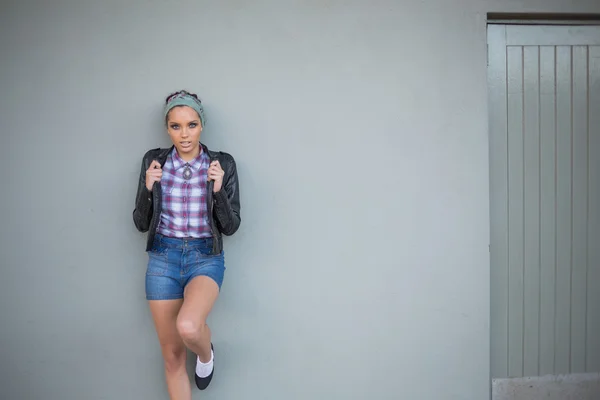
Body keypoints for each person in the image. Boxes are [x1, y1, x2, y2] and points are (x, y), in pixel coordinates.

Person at [132, 90, 241, 399]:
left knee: (190, 327)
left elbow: (231, 227)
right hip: (162, 258)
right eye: (176, 126)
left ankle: (206, 356)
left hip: (205, 256)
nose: (184, 134)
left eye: (191, 125)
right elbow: (141, 223)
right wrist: (147, 188)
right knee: (172, 358)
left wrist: (218, 190)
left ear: (201, 125)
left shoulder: (223, 163)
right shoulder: (154, 161)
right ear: (167, 128)